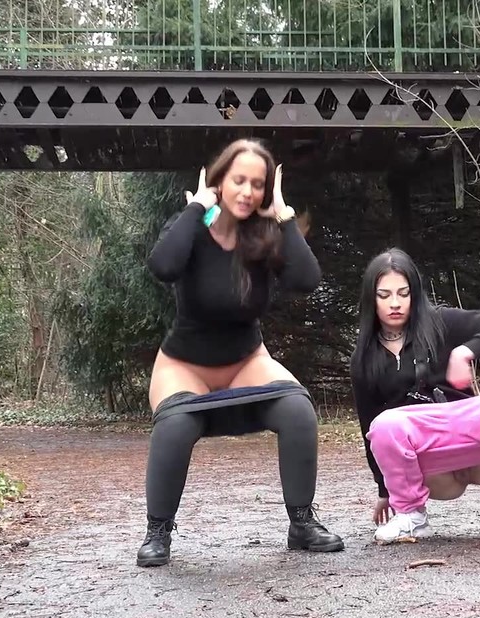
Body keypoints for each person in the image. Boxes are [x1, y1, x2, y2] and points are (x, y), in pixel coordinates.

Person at [137, 138, 344, 567]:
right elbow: (163, 266)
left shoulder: (263, 235)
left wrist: (283, 216)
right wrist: (198, 208)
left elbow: (306, 280)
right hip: (185, 364)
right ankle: (158, 532)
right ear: (219, 181)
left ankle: (301, 524)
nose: (248, 192)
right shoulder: (192, 225)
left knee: (297, 409)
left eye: (258, 184)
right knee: (176, 423)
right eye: (239, 180)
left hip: (246, 361)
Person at [348, 248, 480, 543]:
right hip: (429, 461)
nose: (395, 303)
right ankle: (410, 515)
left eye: (404, 293)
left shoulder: (440, 321)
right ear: (370, 299)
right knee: (385, 424)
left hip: (472, 441)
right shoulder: (364, 358)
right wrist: (385, 491)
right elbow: (369, 427)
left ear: (415, 294)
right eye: (384, 295)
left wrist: (465, 351)